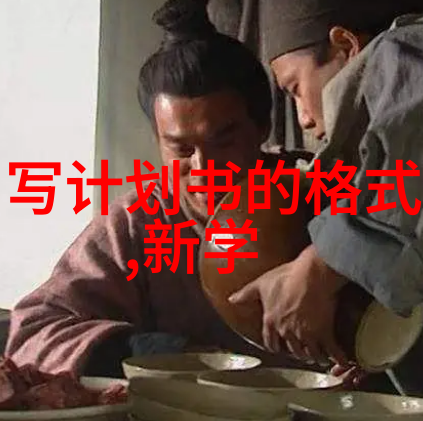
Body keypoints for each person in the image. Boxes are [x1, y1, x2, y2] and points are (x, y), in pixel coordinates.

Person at [5, 0, 306, 378]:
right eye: (181, 149)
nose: (204, 169)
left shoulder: (321, 195)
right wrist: (158, 352)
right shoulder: (140, 221)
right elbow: (33, 333)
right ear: (158, 141)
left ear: (261, 127)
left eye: (224, 141)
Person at [230, 0, 423, 392]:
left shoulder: (403, 50)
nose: (303, 117)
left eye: (296, 88)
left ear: (346, 45)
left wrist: (317, 270)